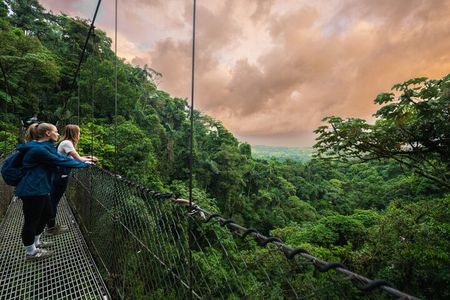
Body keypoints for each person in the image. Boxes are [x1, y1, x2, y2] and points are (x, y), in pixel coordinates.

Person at [15, 123, 91, 261]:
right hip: (32, 189)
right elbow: (60, 160)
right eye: (56, 131)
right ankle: (31, 252)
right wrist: (84, 164)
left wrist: (83, 161)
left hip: (41, 187)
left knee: (47, 213)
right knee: (31, 220)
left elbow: (60, 159)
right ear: (48, 134)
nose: (58, 134)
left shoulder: (44, 147)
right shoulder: (39, 149)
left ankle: (37, 242)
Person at [46, 124, 97, 234]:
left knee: (53, 201)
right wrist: (88, 161)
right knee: (53, 201)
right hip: (60, 176)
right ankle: (50, 227)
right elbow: (77, 159)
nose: (79, 135)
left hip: (59, 175)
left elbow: (73, 158)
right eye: (78, 132)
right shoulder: (67, 143)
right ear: (74, 133)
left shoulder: (64, 142)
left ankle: (50, 225)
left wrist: (88, 158)